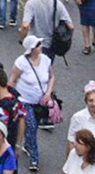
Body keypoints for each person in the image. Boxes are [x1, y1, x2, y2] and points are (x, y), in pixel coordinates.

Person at [14, 34, 56, 171]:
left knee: (35, 126)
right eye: (38, 45)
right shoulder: (21, 62)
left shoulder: (45, 60)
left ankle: (27, 144)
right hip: (25, 101)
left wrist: (48, 93)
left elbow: (52, 77)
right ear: (31, 49)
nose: (41, 47)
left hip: (41, 103)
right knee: (32, 127)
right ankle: (34, 158)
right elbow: (12, 81)